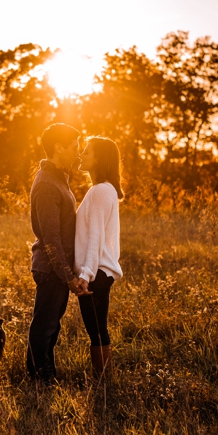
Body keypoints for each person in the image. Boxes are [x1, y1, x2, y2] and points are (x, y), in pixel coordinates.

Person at [27, 123, 90, 383]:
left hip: (57, 269)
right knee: (45, 325)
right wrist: (68, 276)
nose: (77, 153)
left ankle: (44, 375)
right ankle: (40, 379)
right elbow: (51, 239)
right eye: (74, 147)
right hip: (51, 268)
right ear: (58, 147)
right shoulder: (47, 185)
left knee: (51, 325)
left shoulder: (57, 178)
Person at [74, 137, 123, 377]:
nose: (81, 154)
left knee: (97, 330)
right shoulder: (104, 189)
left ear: (100, 158)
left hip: (96, 274)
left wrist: (85, 275)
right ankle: (103, 380)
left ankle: (102, 381)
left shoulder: (100, 190)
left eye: (87, 151)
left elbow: (95, 236)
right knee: (96, 329)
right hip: (98, 272)